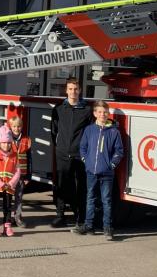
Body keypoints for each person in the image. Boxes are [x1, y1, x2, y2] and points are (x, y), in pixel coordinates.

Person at [74, 100, 124, 241]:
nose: (103, 114)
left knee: (106, 200)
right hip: (91, 171)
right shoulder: (89, 130)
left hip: (107, 173)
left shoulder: (114, 132)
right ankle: (89, 225)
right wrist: (86, 161)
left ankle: (107, 228)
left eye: (105, 112)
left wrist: (111, 165)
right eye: (100, 112)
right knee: (90, 198)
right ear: (95, 113)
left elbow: (119, 151)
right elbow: (83, 147)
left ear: (108, 114)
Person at [51, 77, 92, 228]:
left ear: (80, 90)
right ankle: (60, 216)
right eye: (70, 89)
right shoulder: (58, 109)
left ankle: (79, 217)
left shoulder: (87, 111)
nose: (73, 92)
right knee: (61, 185)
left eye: (75, 89)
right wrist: (60, 147)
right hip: (62, 153)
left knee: (80, 186)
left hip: (80, 154)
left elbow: (90, 133)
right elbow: (54, 131)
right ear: (66, 90)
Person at [0, 128, 21, 237]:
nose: (6, 145)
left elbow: (18, 171)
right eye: (4, 143)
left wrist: (11, 183)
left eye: (8, 143)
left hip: (9, 187)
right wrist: (0, 183)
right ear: (0, 143)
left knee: (8, 207)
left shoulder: (15, 156)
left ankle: (7, 226)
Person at [3, 115, 32, 228]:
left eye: (19, 126)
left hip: (21, 175)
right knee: (8, 197)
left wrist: (28, 176)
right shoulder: (7, 140)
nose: (16, 128)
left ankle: (18, 218)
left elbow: (30, 160)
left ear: (22, 126)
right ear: (11, 126)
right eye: (14, 126)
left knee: (19, 197)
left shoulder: (27, 140)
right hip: (9, 174)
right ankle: (8, 218)